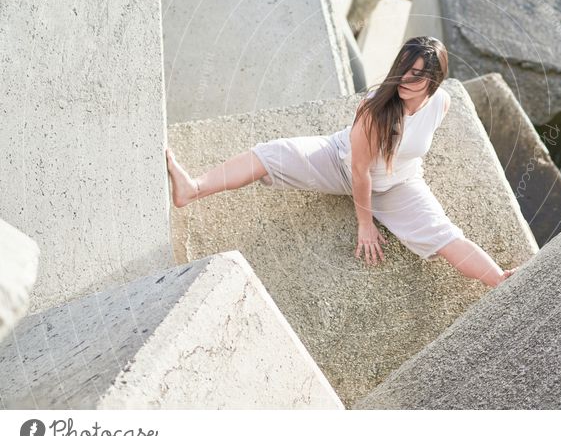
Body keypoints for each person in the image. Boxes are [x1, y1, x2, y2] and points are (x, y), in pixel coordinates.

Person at [166, 36, 518, 287]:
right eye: (404, 70)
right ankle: (193, 188)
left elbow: (413, 145)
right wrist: (365, 224)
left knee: (443, 234)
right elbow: (359, 171)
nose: (407, 81)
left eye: (419, 75)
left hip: (402, 183)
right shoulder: (374, 109)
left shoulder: (441, 102)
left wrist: (403, 176)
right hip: (341, 163)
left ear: (435, 79)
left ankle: (498, 279)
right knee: (271, 154)